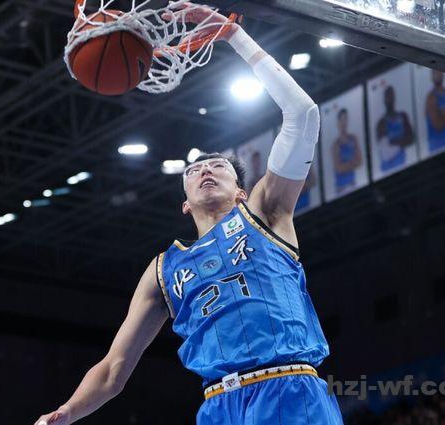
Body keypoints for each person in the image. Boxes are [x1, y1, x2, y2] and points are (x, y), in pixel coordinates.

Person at [33, 4, 342, 425]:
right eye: (194, 170)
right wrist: (67, 412)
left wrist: (232, 36)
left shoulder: (265, 214)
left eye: (218, 166)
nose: (205, 170)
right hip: (217, 406)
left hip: (288, 387)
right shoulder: (165, 269)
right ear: (185, 203)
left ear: (241, 193)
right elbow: (113, 370)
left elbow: (303, 114)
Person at [375, 85, 414, 173]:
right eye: (387, 97)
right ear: (384, 100)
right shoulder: (381, 123)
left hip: (403, 164)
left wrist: (392, 142)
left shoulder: (403, 116)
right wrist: (401, 141)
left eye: (391, 96)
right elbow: (384, 150)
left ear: (394, 98)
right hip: (387, 169)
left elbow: (411, 139)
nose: (390, 99)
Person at [331, 108, 362, 194]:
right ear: (338, 123)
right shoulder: (335, 145)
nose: (344, 123)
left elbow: (359, 162)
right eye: (342, 120)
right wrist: (352, 163)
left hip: (353, 184)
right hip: (341, 188)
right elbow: (338, 168)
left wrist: (345, 165)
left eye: (346, 119)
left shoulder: (353, 139)